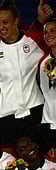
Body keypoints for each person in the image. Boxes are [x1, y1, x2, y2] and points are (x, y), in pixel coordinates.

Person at [0, 0, 51, 153]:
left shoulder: (34, 40)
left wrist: (41, 20)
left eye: (5, 22)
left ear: (16, 21)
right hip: (6, 115)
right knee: (11, 162)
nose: (1, 27)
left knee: (39, 157)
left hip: (35, 111)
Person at [40, 18, 56, 158]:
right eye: (45, 32)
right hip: (50, 124)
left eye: (53, 31)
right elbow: (45, 92)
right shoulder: (44, 63)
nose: (48, 35)